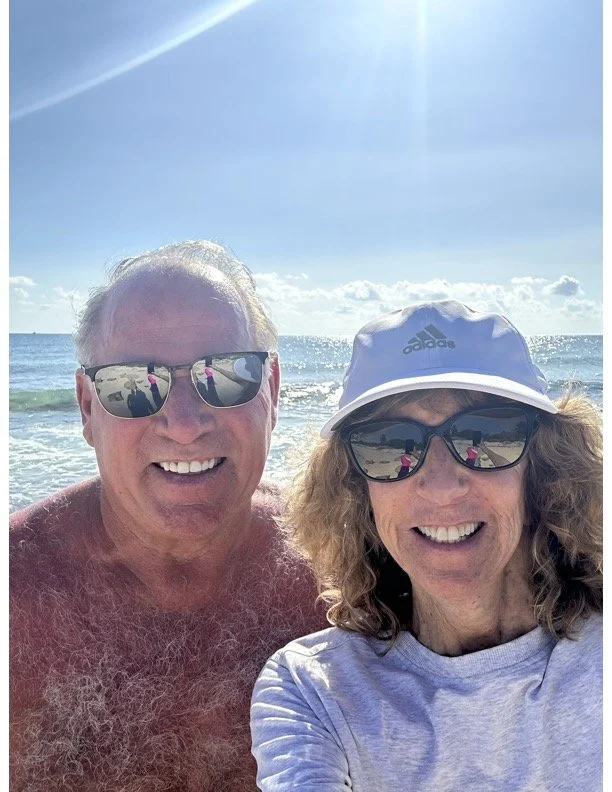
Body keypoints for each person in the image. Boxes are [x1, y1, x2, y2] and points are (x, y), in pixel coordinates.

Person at [10, 240, 324, 791]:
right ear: (87, 406)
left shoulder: (350, 574)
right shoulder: (14, 593)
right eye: (132, 385)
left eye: (226, 375)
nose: (183, 424)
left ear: (271, 391)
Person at [251, 300, 602, 791]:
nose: (441, 487)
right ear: (357, 490)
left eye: (486, 435)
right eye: (390, 445)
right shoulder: (314, 690)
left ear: (544, 470)